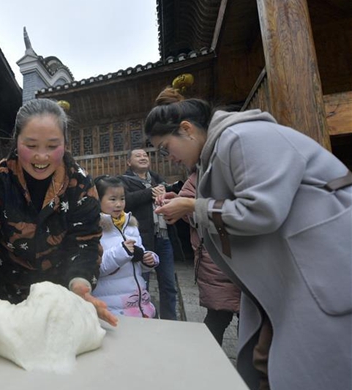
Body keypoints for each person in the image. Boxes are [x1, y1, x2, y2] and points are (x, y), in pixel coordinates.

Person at [148, 87, 352, 390]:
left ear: (187, 129)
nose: (170, 158)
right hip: (290, 270)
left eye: (165, 147)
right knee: (265, 360)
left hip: (320, 265)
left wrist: (194, 205)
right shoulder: (215, 155)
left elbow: (261, 210)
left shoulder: (242, 137)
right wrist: (189, 204)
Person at [0, 98, 118, 327]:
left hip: (60, 299)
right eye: (31, 145)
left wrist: (80, 283)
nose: (41, 156)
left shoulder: (80, 185)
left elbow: (85, 243)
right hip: (5, 302)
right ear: (16, 141)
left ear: (64, 142)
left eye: (52, 146)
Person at [178, 172, 240, 345]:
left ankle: (247, 367)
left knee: (251, 322)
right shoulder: (197, 178)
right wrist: (186, 206)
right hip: (216, 258)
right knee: (218, 316)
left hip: (249, 257)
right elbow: (186, 211)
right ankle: (208, 362)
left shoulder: (245, 169)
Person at [119, 149, 178, 320]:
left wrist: (165, 195)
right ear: (128, 162)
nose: (143, 157)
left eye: (145, 155)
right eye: (138, 156)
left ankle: (171, 322)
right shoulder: (124, 181)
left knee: (168, 285)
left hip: (163, 236)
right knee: (141, 284)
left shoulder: (159, 180)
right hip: (140, 240)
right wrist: (149, 192)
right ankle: (143, 320)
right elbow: (124, 202)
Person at [92, 175, 158, 318]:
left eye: (122, 198)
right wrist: (122, 252)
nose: (119, 204)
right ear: (98, 199)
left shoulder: (131, 225)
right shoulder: (93, 230)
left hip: (139, 305)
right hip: (111, 308)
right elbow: (95, 268)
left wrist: (148, 260)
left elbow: (137, 260)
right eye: (112, 199)